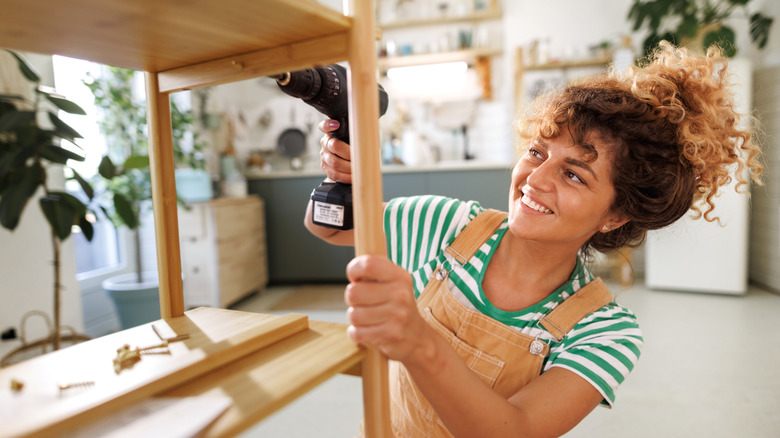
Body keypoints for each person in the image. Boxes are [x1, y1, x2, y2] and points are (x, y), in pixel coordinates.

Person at [304, 42, 763, 437]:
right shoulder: (447, 225)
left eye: (573, 174)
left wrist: (419, 343)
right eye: (536, 151)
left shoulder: (605, 332)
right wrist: (341, 178)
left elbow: (516, 430)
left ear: (616, 214)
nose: (534, 179)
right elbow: (329, 225)